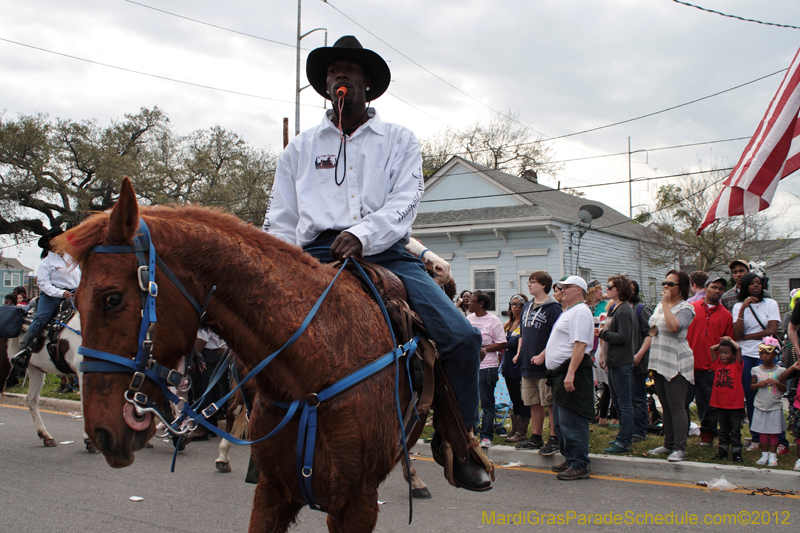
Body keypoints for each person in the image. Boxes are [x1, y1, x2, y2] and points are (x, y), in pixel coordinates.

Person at [261, 35, 488, 490]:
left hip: (385, 252)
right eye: (332, 71)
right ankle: (265, 438)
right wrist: (276, 267)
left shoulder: (399, 140)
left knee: (461, 337)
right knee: (256, 329)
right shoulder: (300, 149)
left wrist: (362, 234)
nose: (338, 76)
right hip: (313, 254)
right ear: (327, 87)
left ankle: (458, 441)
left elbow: (406, 202)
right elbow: (281, 217)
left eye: (348, 69)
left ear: (368, 84)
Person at [531, 276, 594, 481]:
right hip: (560, 372)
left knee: (572, 419)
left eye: (567, 287)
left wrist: (571, 373)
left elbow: (580, 344)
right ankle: (570, 458)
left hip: (571, 372)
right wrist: (544, 356)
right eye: (561, 287)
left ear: (579, 290)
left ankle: (579, 463)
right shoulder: (569, 311)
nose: (562, 290)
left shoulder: (581, 311)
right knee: (560, 421)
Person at [11, 229, 81, 371]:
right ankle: (23, 349)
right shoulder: (46, 262)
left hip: (74, 293)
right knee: (42, 317)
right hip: (52, 295)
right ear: (50, 243)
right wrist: (61, 293)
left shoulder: (72, 259)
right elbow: (43, 284)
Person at [647, 270, 696, 462]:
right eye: (664, 283)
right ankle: (668, 443)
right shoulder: (660, 305)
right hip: (659, 359)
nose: (666, 287)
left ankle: (679, 448)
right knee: (665, 405)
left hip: (677, 361)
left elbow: (675, 327)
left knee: (676, 405)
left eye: (670, 284)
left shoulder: (686, 308)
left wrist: (667, 305)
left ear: (681, 288)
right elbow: (652, 329)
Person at [513, 270, 562, 454]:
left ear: (543, 285)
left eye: (532, 281)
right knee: (533, 401)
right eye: (529, 281)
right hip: (527, 361)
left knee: (549, 401)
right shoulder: (526, 306)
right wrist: (519, 352)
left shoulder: (553, 308)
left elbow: (556, 337)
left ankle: (555, 437)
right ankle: (536, 436)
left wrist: (543, 354)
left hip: (544, 363)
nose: (529, 284)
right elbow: (522, 333)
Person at [732, 271, 781, 451]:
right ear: (745, 286)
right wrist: (743, 309)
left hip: (765, 353)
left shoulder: (771, 303)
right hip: (746, 354)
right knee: (751, 396)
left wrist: (747, 337)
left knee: (770, 394)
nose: (756, 286)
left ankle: (777, 438)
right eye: (752, 283)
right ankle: (756, 438)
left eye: (759, 283)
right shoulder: (738, 306)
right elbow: (737, 333)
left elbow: (771, 330)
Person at [685, 276, 733, 447]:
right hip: (689, 365)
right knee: (683, 402)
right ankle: (682, 432)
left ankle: (707, 435)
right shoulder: (691, 308)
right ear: (706, 288)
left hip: (711, 368)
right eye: (714, 287)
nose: (717, 291)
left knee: (710, 405)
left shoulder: (726, 315)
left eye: (721, 288)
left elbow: (729, 345)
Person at [598, 275, 636, 454]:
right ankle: (622, 435)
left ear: (619, 289)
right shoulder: (615, 308)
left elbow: (623, 337)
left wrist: (602, 333)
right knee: (618, 401)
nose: (607, 289)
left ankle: (624, 441)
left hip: (621, 362)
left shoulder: (624, 310)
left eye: (610, 286)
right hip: (613, 361)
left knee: (624, 402)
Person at [466, 291, 506, 448]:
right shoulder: (468, 319)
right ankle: (471, 433)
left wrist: (483, 349)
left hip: (487, 367)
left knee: (487, 403)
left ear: (481, 304)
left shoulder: (493, 320)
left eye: (472, 301)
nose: (468, 303)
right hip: (470, 366)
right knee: (470, 402)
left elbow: (502, 342)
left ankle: (486, 436)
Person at [750, 337, 786, 467]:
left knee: (774, 432)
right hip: (761, 405)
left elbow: (784, 388)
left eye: (767, 353)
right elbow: (751, 387)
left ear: (775, 354)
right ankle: (764, 455)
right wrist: (758, 384)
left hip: (774, 406)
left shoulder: (780, 371)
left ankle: (773, 456)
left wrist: (777, 383)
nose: (764, 356)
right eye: (761, 353)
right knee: (763, 432)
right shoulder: (756, 370)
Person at [709, 337, 744, 463]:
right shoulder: (717, 365)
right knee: (723, 430)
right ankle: (722, 450)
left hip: (735, 405)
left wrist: (729, 341)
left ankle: (736, 452)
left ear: (733, 355)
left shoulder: (737, 366)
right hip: (720, 403)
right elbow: (712, 349)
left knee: (735, 430)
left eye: (726, 353)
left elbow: (738, 348)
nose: (723, 355)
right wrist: (722, 343)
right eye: (721, 353)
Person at [502, 293, 529, 443]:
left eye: (518, 304)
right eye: (512, 304)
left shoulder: (524, 324)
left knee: (521, 398)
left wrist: (507, 341)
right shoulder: (508, 324)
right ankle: (514, 428)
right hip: (507, 366)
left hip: (518, 366)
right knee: (514, 398)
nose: (514, 307)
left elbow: (514, 342)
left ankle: (522, 431)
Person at [630, 280, 653, 442]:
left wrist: (639, 355)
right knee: (624, 398)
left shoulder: (641, 309)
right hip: (621, 361)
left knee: (637, 397)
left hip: (637, 361)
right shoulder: (616, 308)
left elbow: (650, 333)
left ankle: (639, 431)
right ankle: (627, 430)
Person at [778, 358, 800, 471]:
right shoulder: (798, 368)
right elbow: (781, 378)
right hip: (799, 406)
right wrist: (793, 367)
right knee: (799, 434)